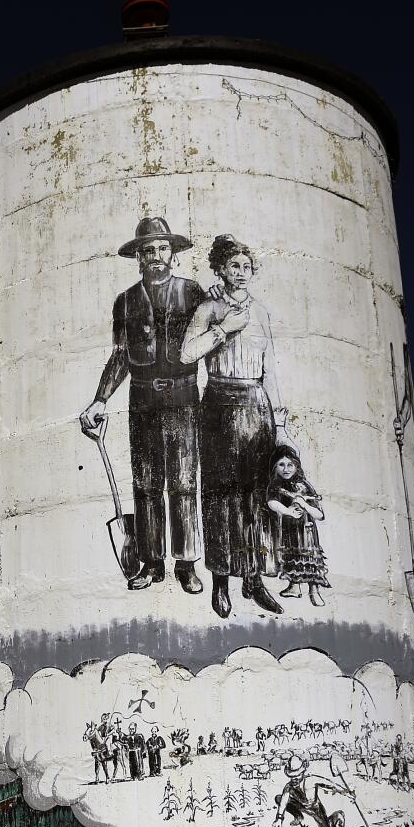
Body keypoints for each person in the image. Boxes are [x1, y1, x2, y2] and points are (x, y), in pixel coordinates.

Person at [80, 217, 205, 593]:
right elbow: (120, 357)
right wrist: (100, 399)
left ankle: (186, 563)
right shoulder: (127, 301)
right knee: (147, 484)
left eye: (162, 248)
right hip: (143, 399)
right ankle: (152, 563)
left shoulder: (193, 293)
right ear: (138, 256)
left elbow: (212, 342)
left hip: (184, 398)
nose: (155, 256)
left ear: (173, 253)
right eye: (148, 250)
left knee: (183, 482)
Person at [180, 235, 285, 618]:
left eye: (246, 267)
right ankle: (221, 580)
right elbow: (187, 352)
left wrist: (280, 421)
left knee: (256, 495)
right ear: (220, 270)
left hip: (256, 403)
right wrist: (224, 328)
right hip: (220, 403)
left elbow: (269, 365)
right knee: (220, 495)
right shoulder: (209, 308)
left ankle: (253, 579)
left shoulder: (261, 312)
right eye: (233, 267)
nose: (241, 273)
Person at [268, 445, 330, 606]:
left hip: (307, 532)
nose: (286, 469)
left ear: (296, 466)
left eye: (290, 465)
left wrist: (305, 505)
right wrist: (288, 511)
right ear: (275, 466)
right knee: (292, 558)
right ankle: (295, 587)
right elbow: (272, 502)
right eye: (281, 464)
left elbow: (320, 514)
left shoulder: (304, 485)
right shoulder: (276, 485)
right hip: (289, 531)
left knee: (311, 559)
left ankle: (314, 591)